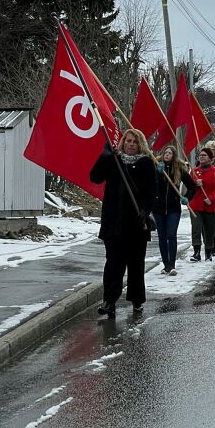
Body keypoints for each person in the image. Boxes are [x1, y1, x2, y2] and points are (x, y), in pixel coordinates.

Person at [90, 128, 157, 317]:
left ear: (140, 144)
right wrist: (104, 157)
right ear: (123, 142)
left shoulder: (146, 163)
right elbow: (95, 177)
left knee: (136, 265)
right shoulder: (114, 161)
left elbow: (152, 191)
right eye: (128, 141)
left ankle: (137, 300)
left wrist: (146, 210)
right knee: (113, 264)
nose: (130, 144)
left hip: (136, 223)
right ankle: (109, 301)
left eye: (134, 142)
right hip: (114, 223)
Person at [153, 146, 197, 275]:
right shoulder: (156, 166)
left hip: (173, 208)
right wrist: (157, 172)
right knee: (162, 237)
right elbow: (150, 183)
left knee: (171, 235)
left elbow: (192, 187)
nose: (167, 155)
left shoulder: (179, 169)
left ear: (174, 155)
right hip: (158, 208)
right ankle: (165, 264)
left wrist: (186, 198)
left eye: (170, 153)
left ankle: (172, 264)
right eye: (165, 152)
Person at [191, 147, 215, 261]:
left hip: (211, 205)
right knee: (196, 228)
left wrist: (211, 198)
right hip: (196, 205)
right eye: (200, 155)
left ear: (210, 158)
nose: (201, 157)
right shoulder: (194, 171)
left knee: (209, 230)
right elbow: (190, 188)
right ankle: (196, 252)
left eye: (204, 155)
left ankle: (208, 251)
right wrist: (196, 183)